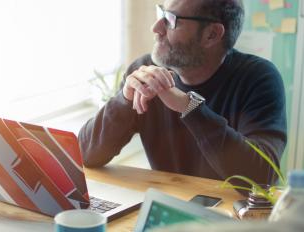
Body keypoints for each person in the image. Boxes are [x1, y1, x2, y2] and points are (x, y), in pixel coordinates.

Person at [78, 0, 286, 188]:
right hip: (165, 211)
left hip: (229, 218)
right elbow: (85, 155)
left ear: (211, 34)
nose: (156, 27)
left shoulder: (258, 79)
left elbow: (262, 176)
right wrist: (124, 99)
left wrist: (190, 107)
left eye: (170, 20)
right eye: (161, 13)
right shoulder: (145, 72)